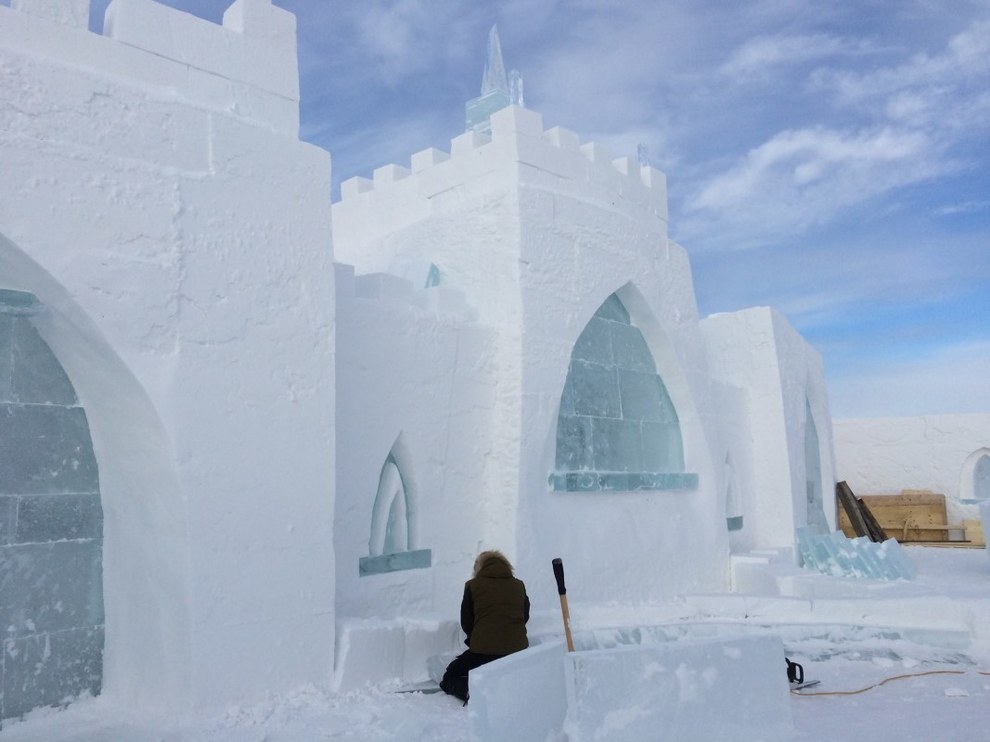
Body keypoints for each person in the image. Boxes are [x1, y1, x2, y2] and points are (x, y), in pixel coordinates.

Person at [439, 550, 530, 703]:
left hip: (483, 651)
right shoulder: (518, 585)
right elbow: (524, 616)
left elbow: (467, 622)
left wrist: (480, 638)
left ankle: (469, 691)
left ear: (478, 568)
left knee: (450, 677)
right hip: (517, 651)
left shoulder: (473, 586)